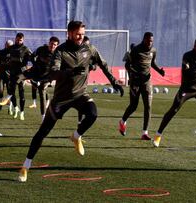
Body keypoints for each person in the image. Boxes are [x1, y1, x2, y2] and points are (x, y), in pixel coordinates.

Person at [18, 21, 124, 182]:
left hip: (80, 94)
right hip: (61, 99)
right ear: (69, 33)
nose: (81, 36)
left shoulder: (89, 49)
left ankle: (76, 136)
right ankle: (25, 166)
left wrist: (114, 81)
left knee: (93, 114)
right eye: (77, 34)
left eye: (82, 33)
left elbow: (103, 64)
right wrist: (70, 72)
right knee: (42, 132)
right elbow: (53, 74)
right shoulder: (60, 51)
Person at [152, 37, 196, 147]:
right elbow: (186, 71)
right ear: (195, 46)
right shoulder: (187, 56)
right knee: (173, 110)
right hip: (187, 90)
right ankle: (158, 135)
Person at [118, 32, 165, 140]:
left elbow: (152, 63)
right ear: (143, 39)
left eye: (151, 41)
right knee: (133, 106)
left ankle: (145, 133)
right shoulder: (135, 50)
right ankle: (122, 121)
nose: (150, 43)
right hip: (135, 82)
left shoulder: (153, 50)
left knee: (148, 106)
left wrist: (159, 71)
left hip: (147, 81)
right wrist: (132, 73)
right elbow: (127, 64)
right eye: (148, 41)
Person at [0, 33, 32, 121]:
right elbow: (2, 52)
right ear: (15, 39)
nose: (18, 41)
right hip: (12, 72)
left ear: (23, 40)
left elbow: (33, 58)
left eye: (20, 40)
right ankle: (15, 107)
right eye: (17, 39)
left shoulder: (26, 49)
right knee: (12, 91)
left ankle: (22, 112)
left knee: (21, 93)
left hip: (21, 74)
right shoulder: (11, 48)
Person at [29, 36, 60, 120]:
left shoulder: (58, 54)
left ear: (57, 46)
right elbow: (32, 56)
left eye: (55, 45)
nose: (52, 46)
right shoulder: (41, 49)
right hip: (37, 74)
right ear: (49, 43)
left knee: (41, 90)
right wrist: (35, 64)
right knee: (34, 84)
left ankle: (43, 116)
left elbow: (59, 67)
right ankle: (46, 99)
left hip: (48, 77)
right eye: (51, 44)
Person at [0, 39, 13, 112]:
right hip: (2, 74)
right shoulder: (2, 51)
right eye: (7, 44)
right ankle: (0, 103)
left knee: (10, 91)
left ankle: (10, 106)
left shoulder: (13, 53)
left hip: (10, 75)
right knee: (0, 90)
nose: (8, 46)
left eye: (9, 45)